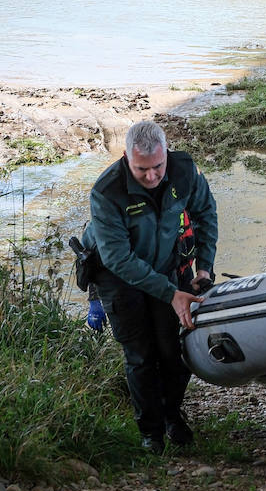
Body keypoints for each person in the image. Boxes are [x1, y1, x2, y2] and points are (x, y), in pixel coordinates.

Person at [83, 120, 218, 455]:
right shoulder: (106, 191)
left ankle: (172, 415)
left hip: (164, 266)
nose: (152, 176)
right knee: (141, 355)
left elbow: (206, 214)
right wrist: (171, 294)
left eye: (158, 166)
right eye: (142, 169)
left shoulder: (184, 170)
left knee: (175, 351)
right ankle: (151, 433)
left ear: (166, 153)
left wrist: (204, 266)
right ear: (127, 158)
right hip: (116, 276)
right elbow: (117, 258)